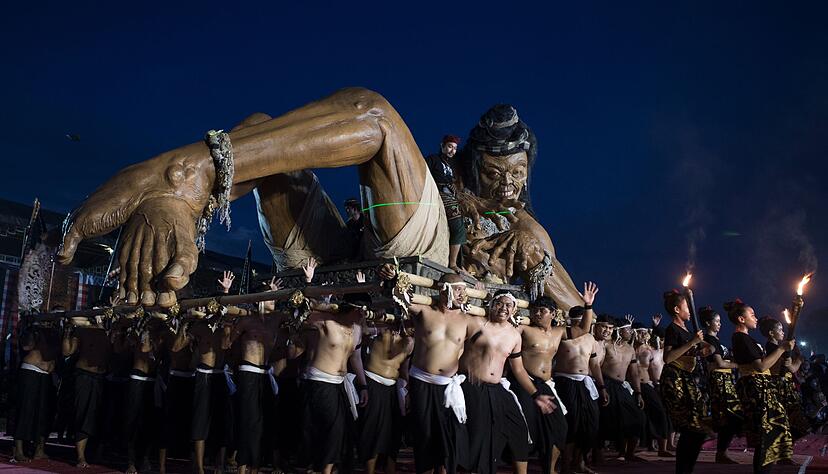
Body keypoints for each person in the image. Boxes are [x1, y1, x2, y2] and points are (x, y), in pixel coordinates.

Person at [58, 88, 582, 312]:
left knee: (376, 115)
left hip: (431, 264)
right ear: (473, 162)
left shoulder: (522, 220)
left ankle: (181, 173)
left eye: (518, 172)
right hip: (349, 254)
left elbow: (564, 288)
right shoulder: (451, 185)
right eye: (497, 170)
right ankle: (181, 192)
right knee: (263, 128)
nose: (509, 183)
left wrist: (541, 259)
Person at [378, 264, 480, 474]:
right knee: (424, 435)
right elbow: (397, 294)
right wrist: (391, 276)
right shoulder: (423, 311)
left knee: (448, 437)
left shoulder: (468, 319)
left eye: (464, 290)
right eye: (458, 289)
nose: (463, 295)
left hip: (447, 386)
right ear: (444, 289)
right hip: (422, 382)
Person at [458, 290, 557, 474]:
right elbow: (455, 345)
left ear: (514, 310)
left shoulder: (514, 336)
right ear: (491, 305)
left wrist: (536, 394)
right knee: (478, 436)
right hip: (473, 386)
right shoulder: (477, 324)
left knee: (519, 428)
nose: (503, 308)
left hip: (497, 388)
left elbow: (518, 369)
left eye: (508, 305)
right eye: (499, 303)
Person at [511, 284, 597, 474]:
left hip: (547, 385)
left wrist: (588, 305)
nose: (537, 314)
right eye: (534, 310)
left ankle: (550, 469)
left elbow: (583, 329)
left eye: (542, 310)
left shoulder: (559, 332)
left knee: (560, 427)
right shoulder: (524, 329)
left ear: (552, 313)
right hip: (524, 382)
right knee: (525, 427)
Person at [727, 299, 796, 473]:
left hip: (761, 386)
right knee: (765, 435)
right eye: (752, 315)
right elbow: (760, 366)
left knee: (769, 435)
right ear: (741, 319)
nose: (755, 318)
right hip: (754, 388)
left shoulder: (747, 339)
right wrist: (781, 349)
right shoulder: (740, 338)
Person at [356, 269, 414, 474]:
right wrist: (375, 328)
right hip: (373, 380)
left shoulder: (410, 325)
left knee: (393, 434)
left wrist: (405, 391)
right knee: (371, 432)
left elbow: (404, 366)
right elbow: (362, 331)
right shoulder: (380, 313)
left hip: (394, 387)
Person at [659, 290, 712, 474]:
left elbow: (693, 352)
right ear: (676, 309)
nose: (690, 310)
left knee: (699, 427)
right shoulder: (672, 329)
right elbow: (668, 357)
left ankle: (687, 468)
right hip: (675, 379)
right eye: (686, 307)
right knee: (690, 428)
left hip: (688, 379)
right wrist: (692, 343)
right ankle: (683, 469)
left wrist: (704, 347)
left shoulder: (687, 330)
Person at [553, 304, 600, 474]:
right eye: (579, 320)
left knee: (589, 424)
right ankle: (565, 465)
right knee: (572, 424)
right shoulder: (564, 334)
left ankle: (579, 462)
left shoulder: (590, 338)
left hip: (585, 383)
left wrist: (601, 387)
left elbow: (594, 364)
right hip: (566, 382)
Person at [62, 318, 112, 468]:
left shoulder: (108, 330)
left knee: (98, 416)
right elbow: (67, 352)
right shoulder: (82, 330)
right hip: (84, 375)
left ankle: (95, 454)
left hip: (101, 378)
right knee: (83, 413)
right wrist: (67, 333)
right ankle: (80, 456)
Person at [598, 315, 646, 462]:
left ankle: (629, 453)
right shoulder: (605, 345)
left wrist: (638, 393)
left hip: (621, 386)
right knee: (606, 420)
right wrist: (601, 387)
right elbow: (597, 366)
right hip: (606, 384)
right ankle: (599, 454)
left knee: (637, 418)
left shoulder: (630, 349)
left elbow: (634, 372)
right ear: (619, 331)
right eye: (628, 330)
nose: (631, 332)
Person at [12, 322, 60, 462]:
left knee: (44, 413)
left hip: (47, 375)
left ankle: (40, 450)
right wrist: (34, 330)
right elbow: (26, 346)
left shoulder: (57, 332)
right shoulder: (35, 330)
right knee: (25, 411)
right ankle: (19, 450)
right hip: (31, 371)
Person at [699, 306, 742, 464]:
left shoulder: (716, 340)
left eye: (720, 321)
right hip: (719, 381)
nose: (719, 324)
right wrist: (739, 365)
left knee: (728, 417)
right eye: (716, 321)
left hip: (726, 380)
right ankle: (705, 427)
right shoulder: (709, 340)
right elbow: (719, 363)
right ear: (707, 323)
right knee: (730, 415)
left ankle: (721, 451)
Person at [759, 317, 810, 441]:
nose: (783, 332)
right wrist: (799, 360)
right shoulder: (774, 349)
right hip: (781, 385)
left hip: (783, 384)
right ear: (771, 333)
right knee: (794, 422)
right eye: (780, 330)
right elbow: (792, 368)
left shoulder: (775, 347)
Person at [424, 134, 466, 272]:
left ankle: (460, 263)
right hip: (439, 195)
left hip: (450, 195)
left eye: (454, 148)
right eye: (449, 146)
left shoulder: (449, 166)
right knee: (458, 225)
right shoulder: (433, 159)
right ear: (442, 146)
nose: (452, 150)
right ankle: (452, 263)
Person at [633, 322, 672, 457]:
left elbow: (653, 370)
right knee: (638, 417)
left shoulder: (649, 350)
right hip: (630, 386)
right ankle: (630, 450)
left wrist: (656, 386)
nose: (643, 335)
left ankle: (663, 448)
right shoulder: (628, 349)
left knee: (660, 413)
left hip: (646, 385)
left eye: (645, 332)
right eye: (640, 332)